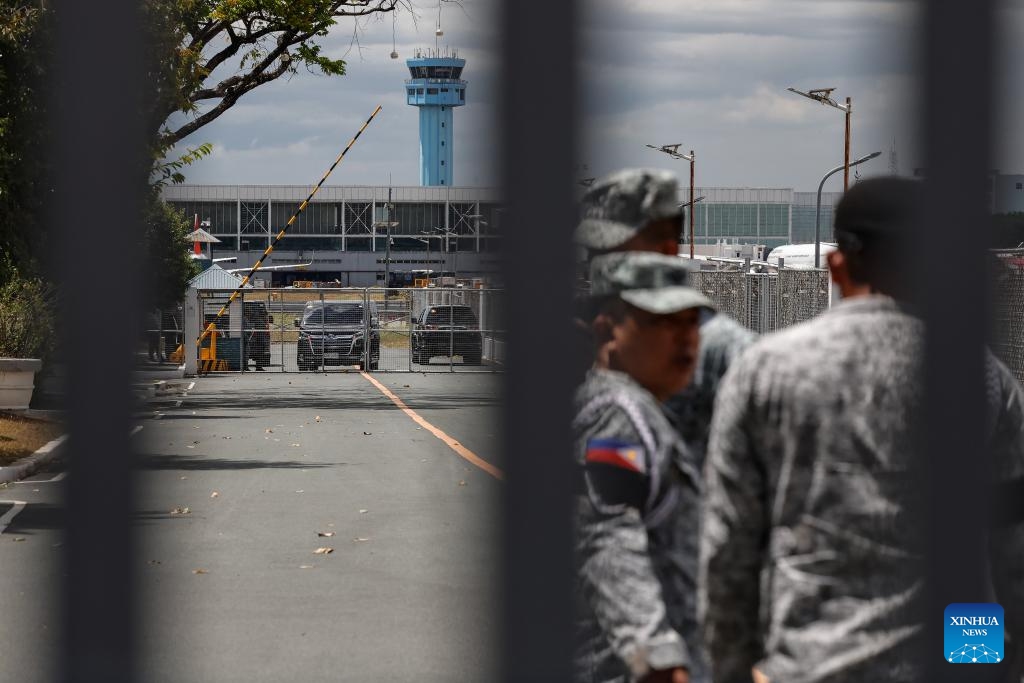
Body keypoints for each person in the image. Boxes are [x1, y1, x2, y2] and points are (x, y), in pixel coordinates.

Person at [699, 177, 1024, 682]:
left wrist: (734, 668)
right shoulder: (983, 380)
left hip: (810, 665)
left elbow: (729, 545)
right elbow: (1005, 551)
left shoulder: (768, 369)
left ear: (836, 263)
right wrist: (982, 663)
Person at [573, 251, 715, 683]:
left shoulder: (636, 408)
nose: (684, 338)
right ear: (607, 330)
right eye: (660, 322)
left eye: (692, 321)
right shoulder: (617, 415)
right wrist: (657, 658)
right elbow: (608, 536)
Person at [574, 167, 758, 474]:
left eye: (610, 247)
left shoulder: (724, 349)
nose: (595, 261)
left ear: (667, 247)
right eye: (592, 250)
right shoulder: (586, 331)